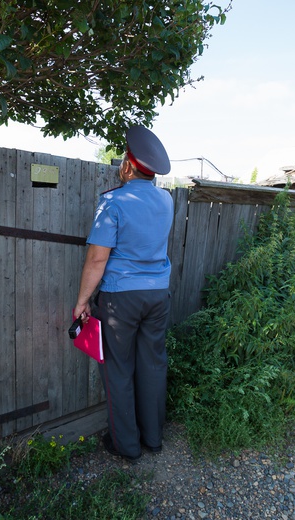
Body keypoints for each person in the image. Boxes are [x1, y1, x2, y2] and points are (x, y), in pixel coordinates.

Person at [72, 125, 174, 462]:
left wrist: (83, 301)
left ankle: (127, 446)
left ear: (128, 165)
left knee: (118, 369)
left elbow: (98, 258)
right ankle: (153, 438)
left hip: (121, 299)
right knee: (153, 365)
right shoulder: (167, 199)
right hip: (158, 295)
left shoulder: (113, 202)